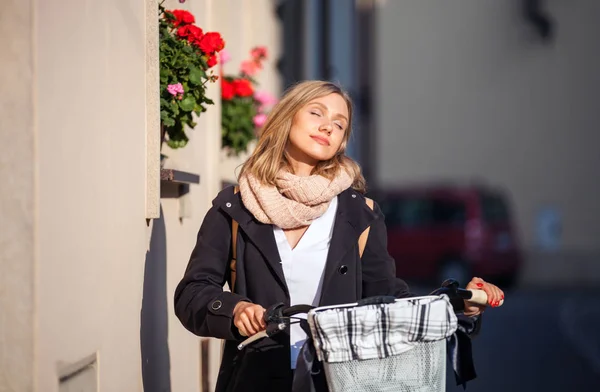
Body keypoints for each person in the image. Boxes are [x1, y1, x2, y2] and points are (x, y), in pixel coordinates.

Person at [174, 80, 505, 392]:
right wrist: (235, 309)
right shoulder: (237, 205)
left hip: (340, 379)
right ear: (286, 119)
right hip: (255, 377)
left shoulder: (360, 214)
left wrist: (458, 303)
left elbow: (387, 301)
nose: (328, 126)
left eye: (339, 123)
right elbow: (192, 293)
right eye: (316, 112)